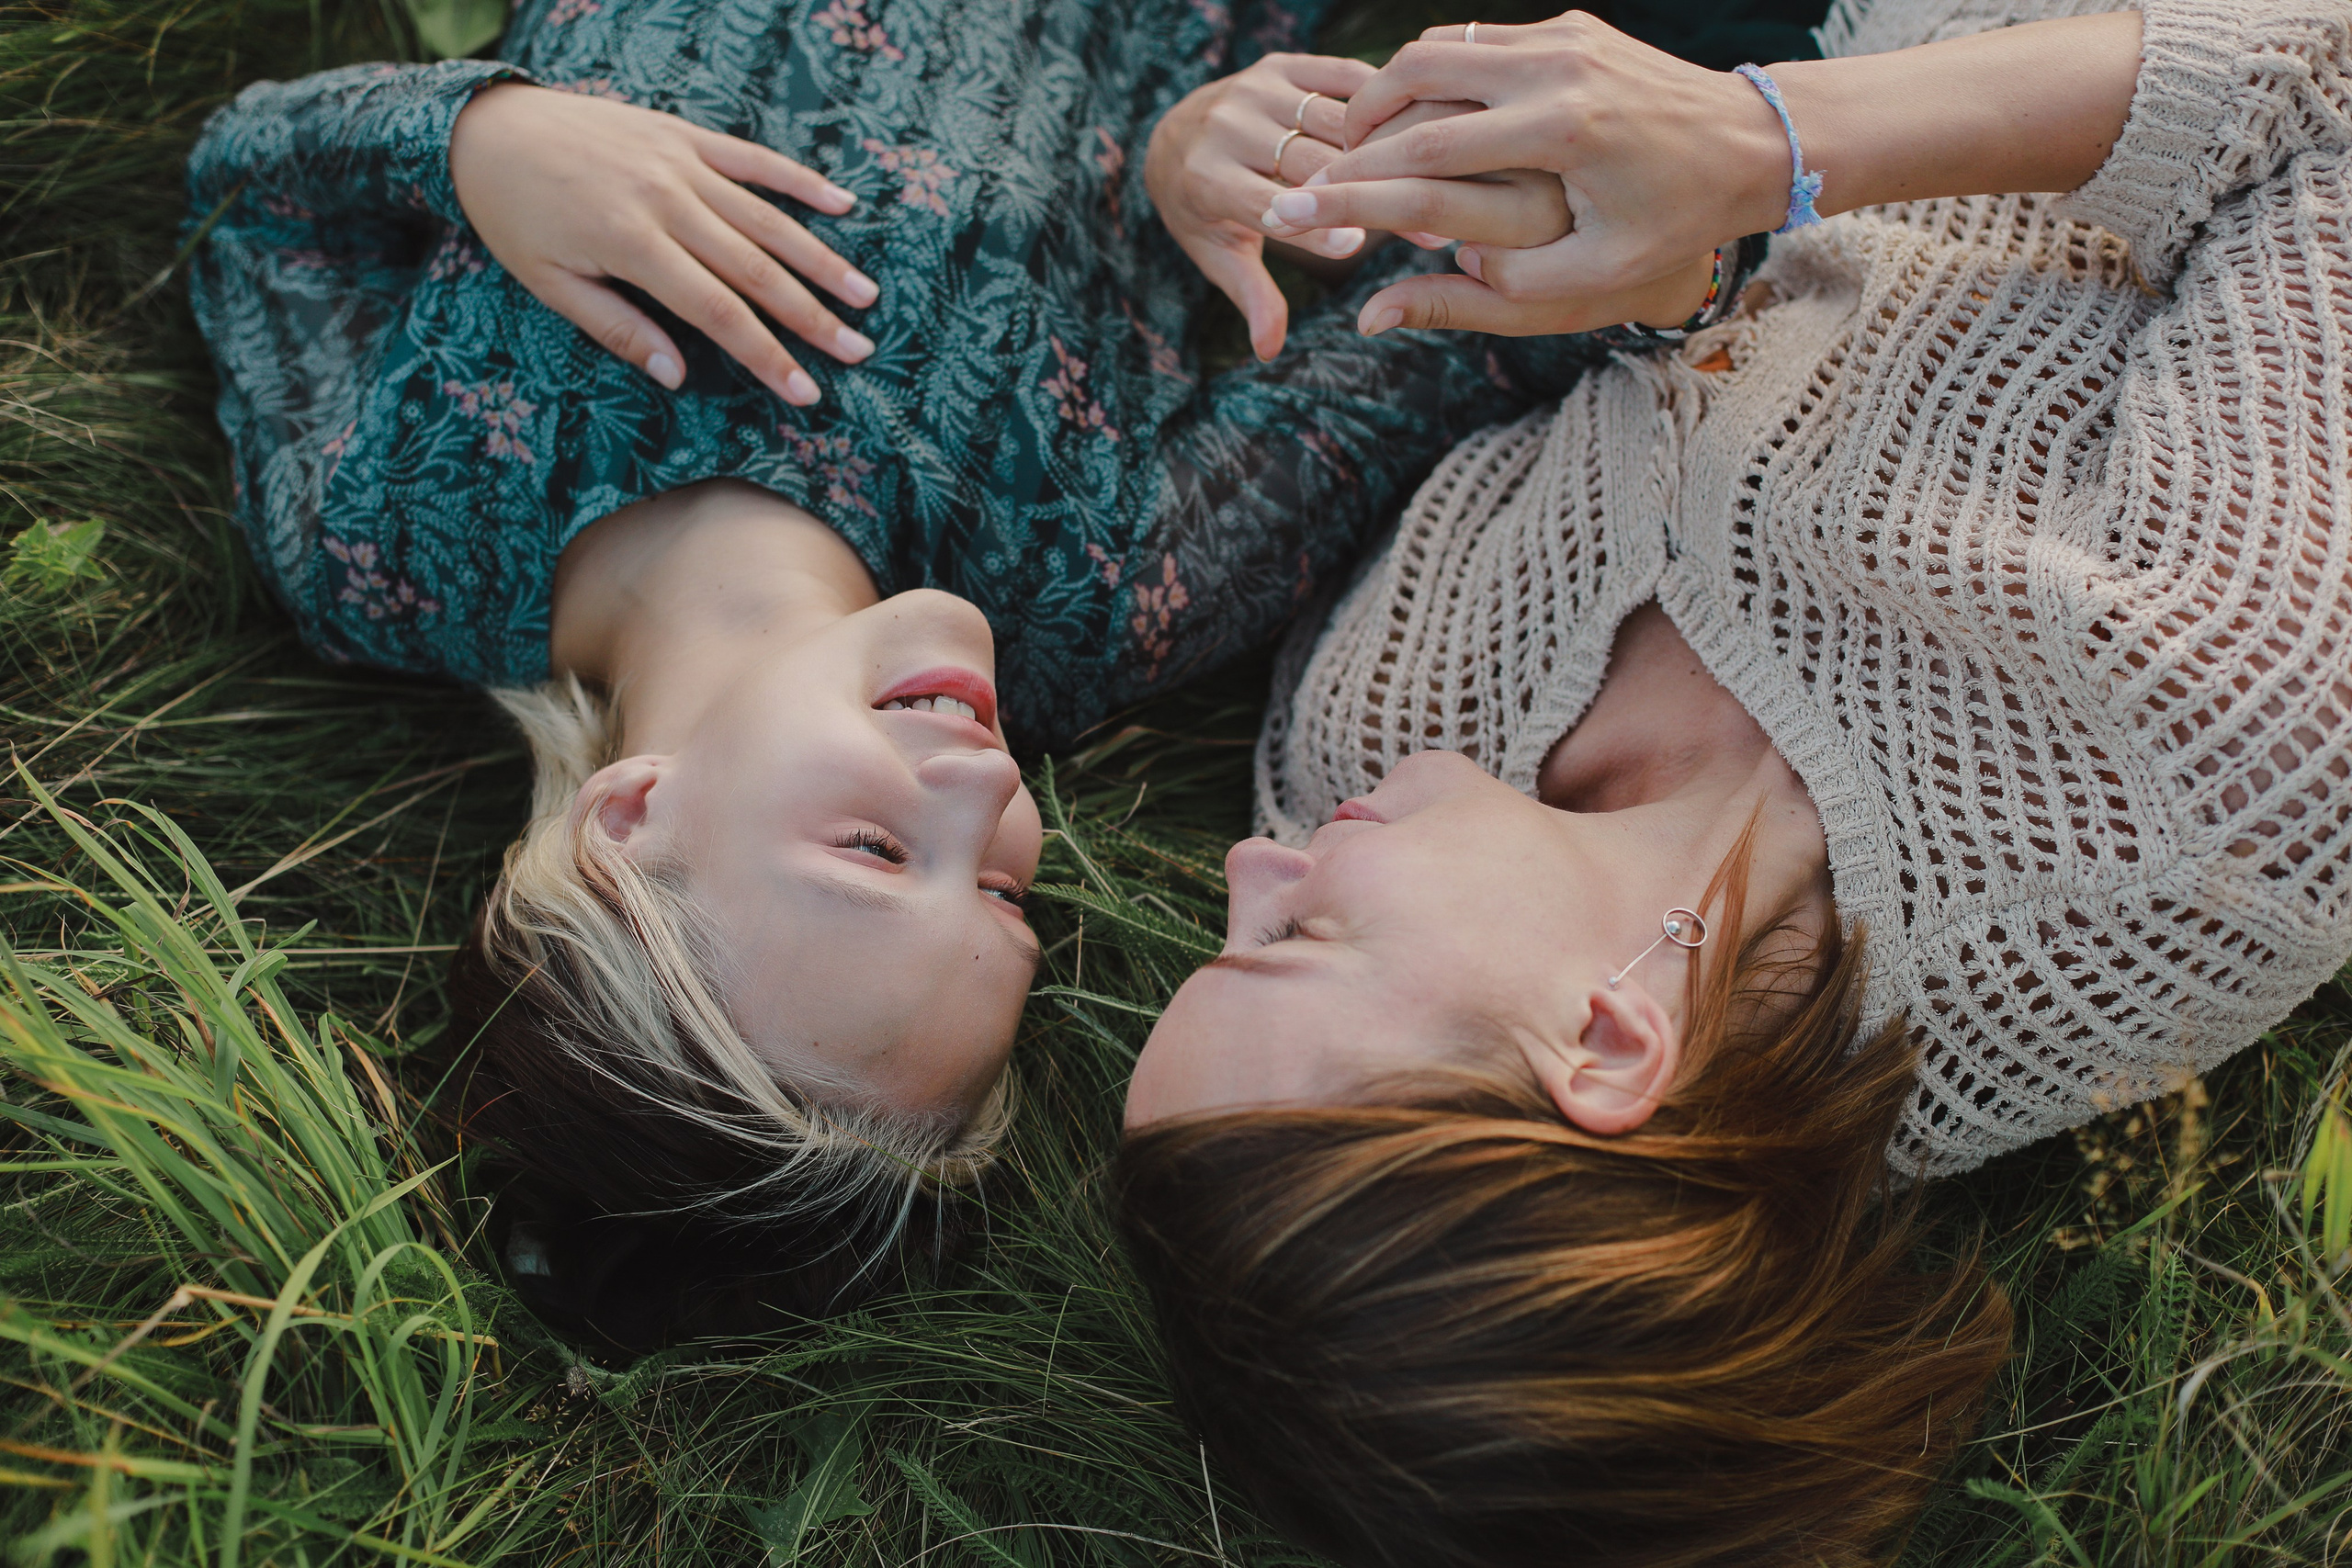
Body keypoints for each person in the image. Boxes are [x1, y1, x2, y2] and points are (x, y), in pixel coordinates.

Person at [183, 0, 1764, 1339]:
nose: (991, 796)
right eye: (1007, 900)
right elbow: (1462, 335)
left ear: (628, 820)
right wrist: (1249, 160)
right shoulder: (1086, 603)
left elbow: (252, 199)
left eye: (878, 854)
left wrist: (485, 137)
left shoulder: (389, 542)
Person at [1116, 0, 2352, 1562]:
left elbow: (1553, 356)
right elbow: (2318, 104)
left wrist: (1677, 262)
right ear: (1611, 1048)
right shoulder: (2209, 798)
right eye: (1292, 941)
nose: (1250, 867)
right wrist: (1764, 145)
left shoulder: (1372, 744)